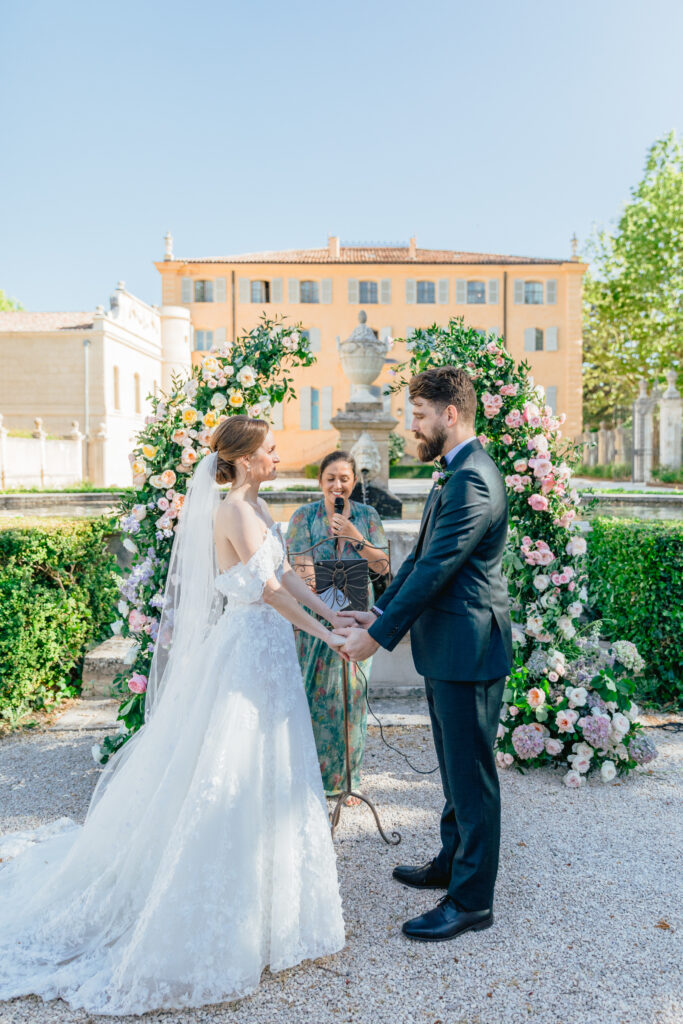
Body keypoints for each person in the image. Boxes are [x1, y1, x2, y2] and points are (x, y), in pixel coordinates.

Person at [0, 416, 346, 1015]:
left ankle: (277, 909)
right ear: (240, 458)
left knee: (276, 765)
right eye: (268, 450)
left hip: (270, 652)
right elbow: (264, 591)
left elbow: (287, 574)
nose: (277, 455)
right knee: (230, 771)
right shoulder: (232, 512)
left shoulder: (261, 508)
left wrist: (331, 616)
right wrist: (322, 632)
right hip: (245, 648)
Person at [337, 366, 512, 943]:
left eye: (419, 415)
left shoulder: (474, 480)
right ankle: (449, 860)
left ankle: (470, 901)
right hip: (447, 649)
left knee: (472, 775)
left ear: (450, 414)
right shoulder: (453, 473)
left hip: (470, 647)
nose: (412, 424)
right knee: (453, 766)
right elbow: (417, 561)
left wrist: (377, 640)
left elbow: (439, 570)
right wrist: (380, 613)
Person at [287, 451, 388, 804]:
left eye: (344, 478)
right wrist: (333, 610)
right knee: (312, 694)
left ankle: (350, 778)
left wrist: (355, 536)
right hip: (316, 618)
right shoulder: (303, 517)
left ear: (354, 482)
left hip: (360, 619)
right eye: (331, 478)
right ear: (321, 482)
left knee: (352, 697)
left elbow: (384, 565)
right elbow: (300, 570)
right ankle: (309, 774)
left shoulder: (368, 516)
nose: (337, 485)